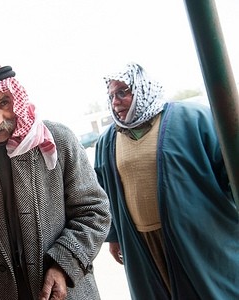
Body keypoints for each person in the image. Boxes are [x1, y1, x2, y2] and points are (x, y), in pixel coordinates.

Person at [0, 63, 111, 300]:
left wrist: (63, 264)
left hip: (66, 289)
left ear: (16, 99)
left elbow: (94, 211)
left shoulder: (59, 141)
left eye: (4, 103)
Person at [94, 62, 239, 299]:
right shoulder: (107, 141)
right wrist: (114, 237)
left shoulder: (193, 119)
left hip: (198, 237)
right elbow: (103, 194)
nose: (115, 102)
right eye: (111, 96)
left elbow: (229, 171)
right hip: (141, 243)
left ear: (141, 89)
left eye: (122, 92)